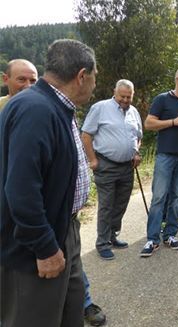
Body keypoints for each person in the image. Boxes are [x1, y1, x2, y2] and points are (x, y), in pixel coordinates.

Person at [0, 39, 96, 326]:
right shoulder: (37, 110)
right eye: (94, 77)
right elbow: (21, 190)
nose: (93, 84)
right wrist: (44, 247)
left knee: (69, 311)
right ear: (81, 76)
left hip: (65, 229)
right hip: (33, 250)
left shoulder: (57, 107)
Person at [140, 68, 178, 257]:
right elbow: (149, 124)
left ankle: (170, 235)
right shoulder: (162, 99)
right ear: (177, 79)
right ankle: (152, 239)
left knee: (177, 196)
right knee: (159, 196)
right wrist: (173, 122)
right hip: (165, 155)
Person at [81, 79, 143, 260]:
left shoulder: (134, 112)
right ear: (114, 92)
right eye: (122, 96)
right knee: (107, 205)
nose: (125, 100)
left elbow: (138, 136)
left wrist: (136, 151)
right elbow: (86, 134)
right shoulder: (100, 108)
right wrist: (93, 160)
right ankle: (102, 243)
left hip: (127, 166)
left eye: (129, 97)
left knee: (121, 203)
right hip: (106, 164)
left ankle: (112, 236)